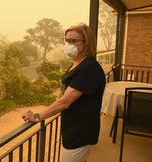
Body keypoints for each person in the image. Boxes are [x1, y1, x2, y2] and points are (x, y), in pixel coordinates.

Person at [21, 23, 106, 162]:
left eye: (73, 41)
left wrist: (37, 116)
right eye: (66, 40)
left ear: (86, 43)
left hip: (80, 131)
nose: (69, 44)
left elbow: (65, 101)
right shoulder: (78, 62)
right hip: (73, 127)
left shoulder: (88, 68)